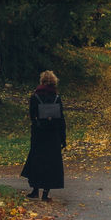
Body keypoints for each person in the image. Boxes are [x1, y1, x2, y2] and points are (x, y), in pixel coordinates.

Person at [20, 69, 66, 201]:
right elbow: (61, 119)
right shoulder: (56, 97)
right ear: (54, 82)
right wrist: (63, 138)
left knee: (36, 160)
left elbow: (32, 116)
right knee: (51, 163)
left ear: (41, 81)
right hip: (53, 134)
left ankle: (35, 190)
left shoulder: (35, 97)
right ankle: (45, 193)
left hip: (39, 133)